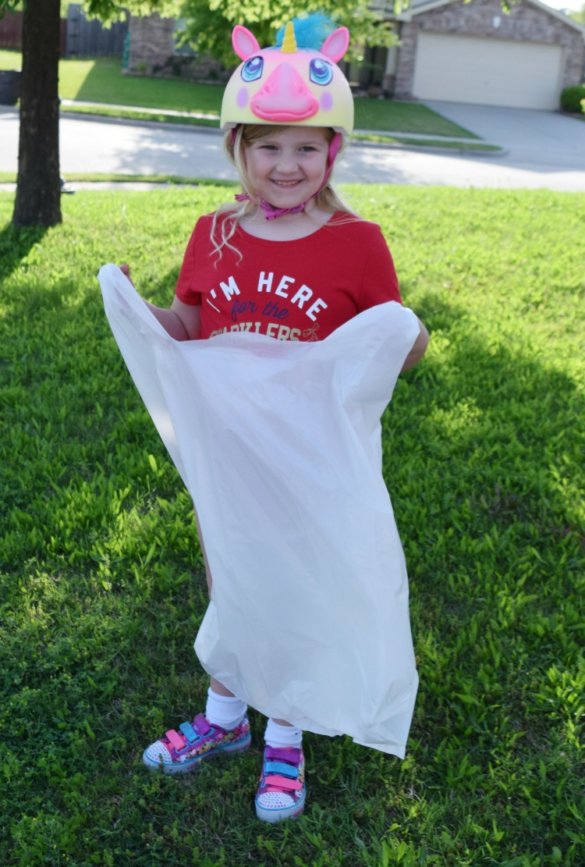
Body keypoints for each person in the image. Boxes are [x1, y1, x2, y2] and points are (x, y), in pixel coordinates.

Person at [122, 13, 428, 824]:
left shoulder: (357, 242)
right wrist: (137, 307)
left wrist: (409, 338)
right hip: (229, 455)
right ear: (237, 149)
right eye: (266, 146)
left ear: (332, 152)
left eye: (304, 147)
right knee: (235, 583)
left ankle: (284, 734)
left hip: (311, 458)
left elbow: (385, 344)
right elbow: (191, 328)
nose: (285, 165)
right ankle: (225, 722)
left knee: (294, 589)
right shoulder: (214, 234)